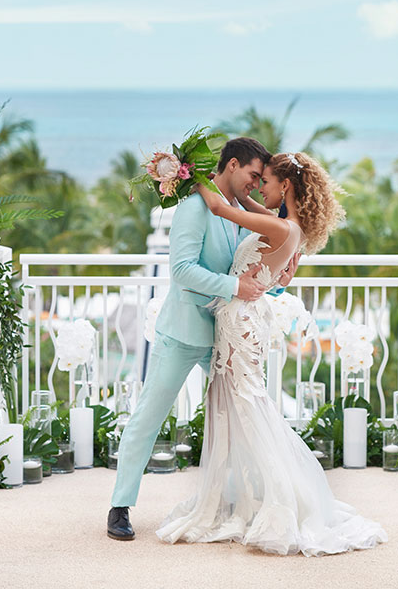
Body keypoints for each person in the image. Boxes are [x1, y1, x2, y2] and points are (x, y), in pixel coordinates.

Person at [156, 152, 388, 556]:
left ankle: (279, 500)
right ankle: (241, 496)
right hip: (240, 318)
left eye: (266, 181)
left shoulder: (282, 229)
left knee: (246, 404)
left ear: (286, 187)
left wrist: (185, 172)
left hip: (241, 320)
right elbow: (246, 206)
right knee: (229, 401)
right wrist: (237, 192)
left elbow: (216, 205)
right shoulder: (287, 227)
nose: (259, 186)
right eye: (257, 179)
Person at [107, 138, 299, 540]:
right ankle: (120, 506)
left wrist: (276, 282)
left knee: (235, 419)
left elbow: (250, 275)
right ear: (231, 165)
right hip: (182, 333)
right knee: (148, 417)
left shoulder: (235, 213)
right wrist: (234, 287)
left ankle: (236, 500)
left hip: (225, 337)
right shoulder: (195, 207)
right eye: (252, 175)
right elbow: (182, 270)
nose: (255, 184)